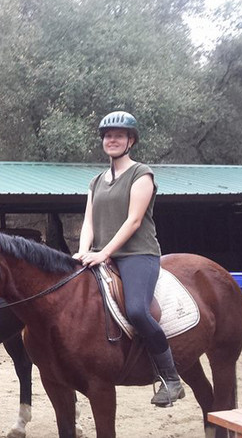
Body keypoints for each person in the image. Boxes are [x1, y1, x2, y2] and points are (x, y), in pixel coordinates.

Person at [72, 111, 184, 407]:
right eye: (108, 136)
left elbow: (134, 221)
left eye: (119, 136)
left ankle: (171, 378)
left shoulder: (141, 174)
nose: (112, 140)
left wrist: (104, 253)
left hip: (138, 255)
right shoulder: (96, 181)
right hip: (100, 255)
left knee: (136, 310)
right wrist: (84, 250)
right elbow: (88, 222)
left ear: (130, 140)